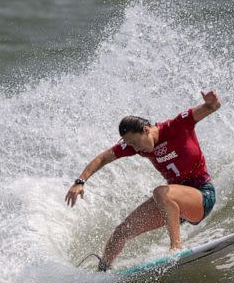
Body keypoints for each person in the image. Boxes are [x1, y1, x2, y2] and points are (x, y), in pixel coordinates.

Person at [65, 90, 221, 271]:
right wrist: (80, 181)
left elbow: (211, 107)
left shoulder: (177, 125)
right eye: (130, 145)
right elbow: (103, 158)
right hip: (173, 205)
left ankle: (176, 247)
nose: (134, 148)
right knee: (121, 232)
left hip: (202, 196)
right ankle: (102, 272)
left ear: (146, 130)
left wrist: (211, 102)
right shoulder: (138, 146)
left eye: (134, 142)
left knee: (160, 192)